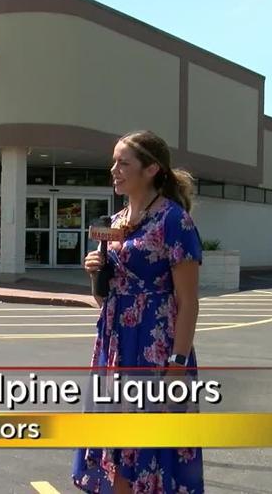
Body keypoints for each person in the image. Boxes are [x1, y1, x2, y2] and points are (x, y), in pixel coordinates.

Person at [72, 130, 204, 494]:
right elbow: (106, 300)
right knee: (118, 447)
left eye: (123, 162)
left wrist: (177, 364)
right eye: (113, 161)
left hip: (156, 349)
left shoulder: (174, 222)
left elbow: (188, 301)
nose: (113, 169)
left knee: (148, 445)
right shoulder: (114, 222)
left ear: (151, 169)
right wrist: (95, 273)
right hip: (115, 344)